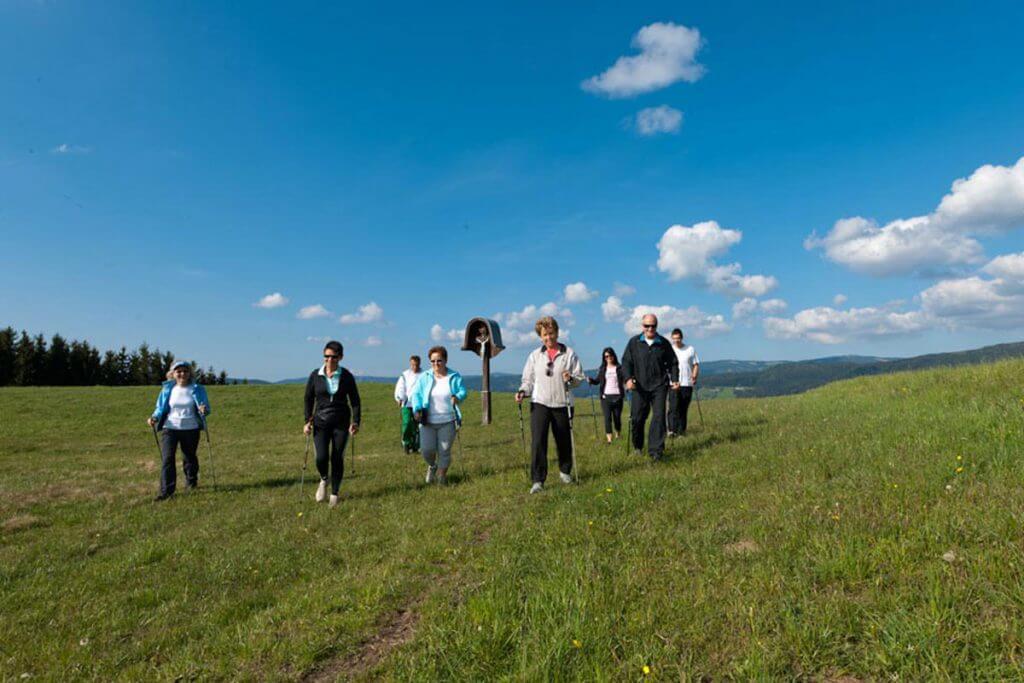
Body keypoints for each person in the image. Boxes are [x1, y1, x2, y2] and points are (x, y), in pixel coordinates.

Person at [516, 316, 585, 494]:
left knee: (563, 440)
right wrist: (523, 391)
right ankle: (538, 481)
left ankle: (565, 472)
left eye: (551, 333)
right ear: (540, 336)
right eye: (544, 335)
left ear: (557, 332)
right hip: (540, 403)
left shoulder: (569, 353)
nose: (548, 338)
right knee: (538, 441)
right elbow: (528, 380)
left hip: (563, 402)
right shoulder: (535, 356)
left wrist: (571, 378)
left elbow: (579, 378)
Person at [303, 341, 361, 508]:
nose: (329, 360)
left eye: (333, 357)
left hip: (341, 422)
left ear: (340, 357)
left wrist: (355, 421)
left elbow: (355, 400)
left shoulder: (347, 376)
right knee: (321, 457)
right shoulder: (315, 375)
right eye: (326, 356)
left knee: (337, 457)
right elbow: (308, 398)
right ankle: (323, 479)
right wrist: (307, 421)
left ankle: (335, 493)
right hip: (320, 422)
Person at [147, 361, 211, 501]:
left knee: (189, 457)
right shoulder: (167, 389)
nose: (182, 374)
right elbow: (160, 407)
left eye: (185, 371)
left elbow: (206, 408)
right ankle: (166, 492)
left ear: (190, 373)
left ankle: (191, 482)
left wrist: (203, 410)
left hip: (191, 428)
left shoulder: (197, 389)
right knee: (167, 459)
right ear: (173, 373)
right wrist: (154, 417)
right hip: (170, 428)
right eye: (179, 371)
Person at [621, 314, 679, 461]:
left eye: (653, 326)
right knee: (637, 418)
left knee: (659, 417)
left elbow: (673, 363)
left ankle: (656, 451)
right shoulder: (634, 343)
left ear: (656, 326)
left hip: (659, 386)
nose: (650, 329)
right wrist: (628, 379)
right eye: (647, 326)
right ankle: (638, 447)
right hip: (639, 387)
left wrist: (675, 379)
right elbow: (626, 362)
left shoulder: (663, 343)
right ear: (642, 326)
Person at [409, 346, 467, 485]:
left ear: (445, 360)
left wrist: (457, 397)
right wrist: (416, 409)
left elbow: (463, 391)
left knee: (445, 450)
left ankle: (441, 477)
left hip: (448, 420)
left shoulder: (454, 376)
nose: (436, 364)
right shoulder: (425, 377)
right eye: (433, 361)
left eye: (439, 361)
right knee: (427, 450)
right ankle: (432, 466)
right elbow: (416, 394)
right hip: (428, 421)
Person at [588, 346, 626, 445]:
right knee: (607, 418)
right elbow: (597, 381)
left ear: (613, 356)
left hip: (618, 396)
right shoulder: (602, 369)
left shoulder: (620, 368)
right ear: (604, 358)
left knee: (617, 418)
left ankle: (618, 434)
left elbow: (625, 379)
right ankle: (609, 439)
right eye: (606, 356)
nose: (608, 358)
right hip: (606, 397)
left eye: (610, 355)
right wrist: (591, 380)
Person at [667, 328, 700, 437]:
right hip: (673, 383)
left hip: (687, 383)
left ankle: (681, 431)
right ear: (672, 339)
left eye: (678, 338)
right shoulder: (669, 350)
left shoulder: (690, 349)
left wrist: (694, 375)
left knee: (683, 408)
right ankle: (672, 430)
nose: (676, 341)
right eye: (674, 339)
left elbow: (696, 364)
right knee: (673, 408)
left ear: (681, 338)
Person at [394, 355, 424, 453]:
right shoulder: (405, 375)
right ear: (410, 364)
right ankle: (406, 442)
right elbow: (400, 387)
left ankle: (415, 445)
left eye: (416, 365)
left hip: (419, 404)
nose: (414, 367)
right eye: (412, 365)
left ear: (419, 364)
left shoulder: (424, 374)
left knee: (417, 425)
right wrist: (400, 398)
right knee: (407, 423)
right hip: (407, 403)